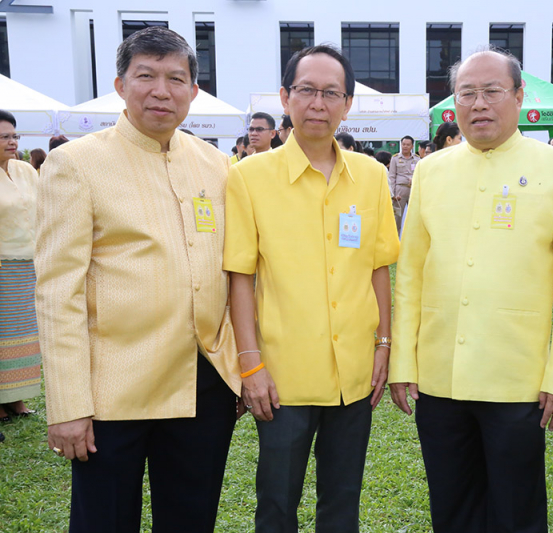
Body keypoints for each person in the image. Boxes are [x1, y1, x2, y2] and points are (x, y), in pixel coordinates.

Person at [35, 27, 240, 532]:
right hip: (113, 388)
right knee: (104, 519)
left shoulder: (216, 165)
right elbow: (58, 292)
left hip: (202, 383)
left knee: (192, 518)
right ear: (120, 84)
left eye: (176, 78)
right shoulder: (76, 164)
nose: (161, 90)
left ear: (194, 90)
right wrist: (67, 404)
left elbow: (232, 272)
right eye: (145, 75)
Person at [389, 46, 553, 533]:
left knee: (516, 509)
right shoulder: (432, 170)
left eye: (492, 92)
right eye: (467, 94)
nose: (478, 104)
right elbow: (410, 273)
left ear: (519, 96)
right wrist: (403, 363)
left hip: (516, 376)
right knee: (452, 504)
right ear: (453, 104)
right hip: (440, 377)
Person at [223, 44, 399, 533]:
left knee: (343, 500)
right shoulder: (249, 177)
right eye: (306, 90)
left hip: (353, 370)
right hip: (282, 374)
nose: (317, 103)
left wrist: (384, 343)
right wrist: (250, 362)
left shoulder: (370, 176)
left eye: (331, 93)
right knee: (277, 501)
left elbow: (379, 267)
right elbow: (241, 276)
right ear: (285, 97)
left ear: (348, 104)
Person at [0, 109, 40, 424]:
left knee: (25, 334)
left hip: (30, 263)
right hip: (3, 266)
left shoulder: (26, 170)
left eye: (14, 136)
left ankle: (18, 399)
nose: (12, 142)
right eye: (5, 137)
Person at [388, 135, 420, 233]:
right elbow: (391, 176)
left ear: (412, 146)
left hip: (413, 189)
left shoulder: (417, 159)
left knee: (415, 215)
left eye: (407, 145)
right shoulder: (395, 158)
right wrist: (393, 194)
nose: (405, 146)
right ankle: (395, 237)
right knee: (397, 216)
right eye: (403, 144)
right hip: (400, 190)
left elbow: (420, 174)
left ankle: (414, 238)